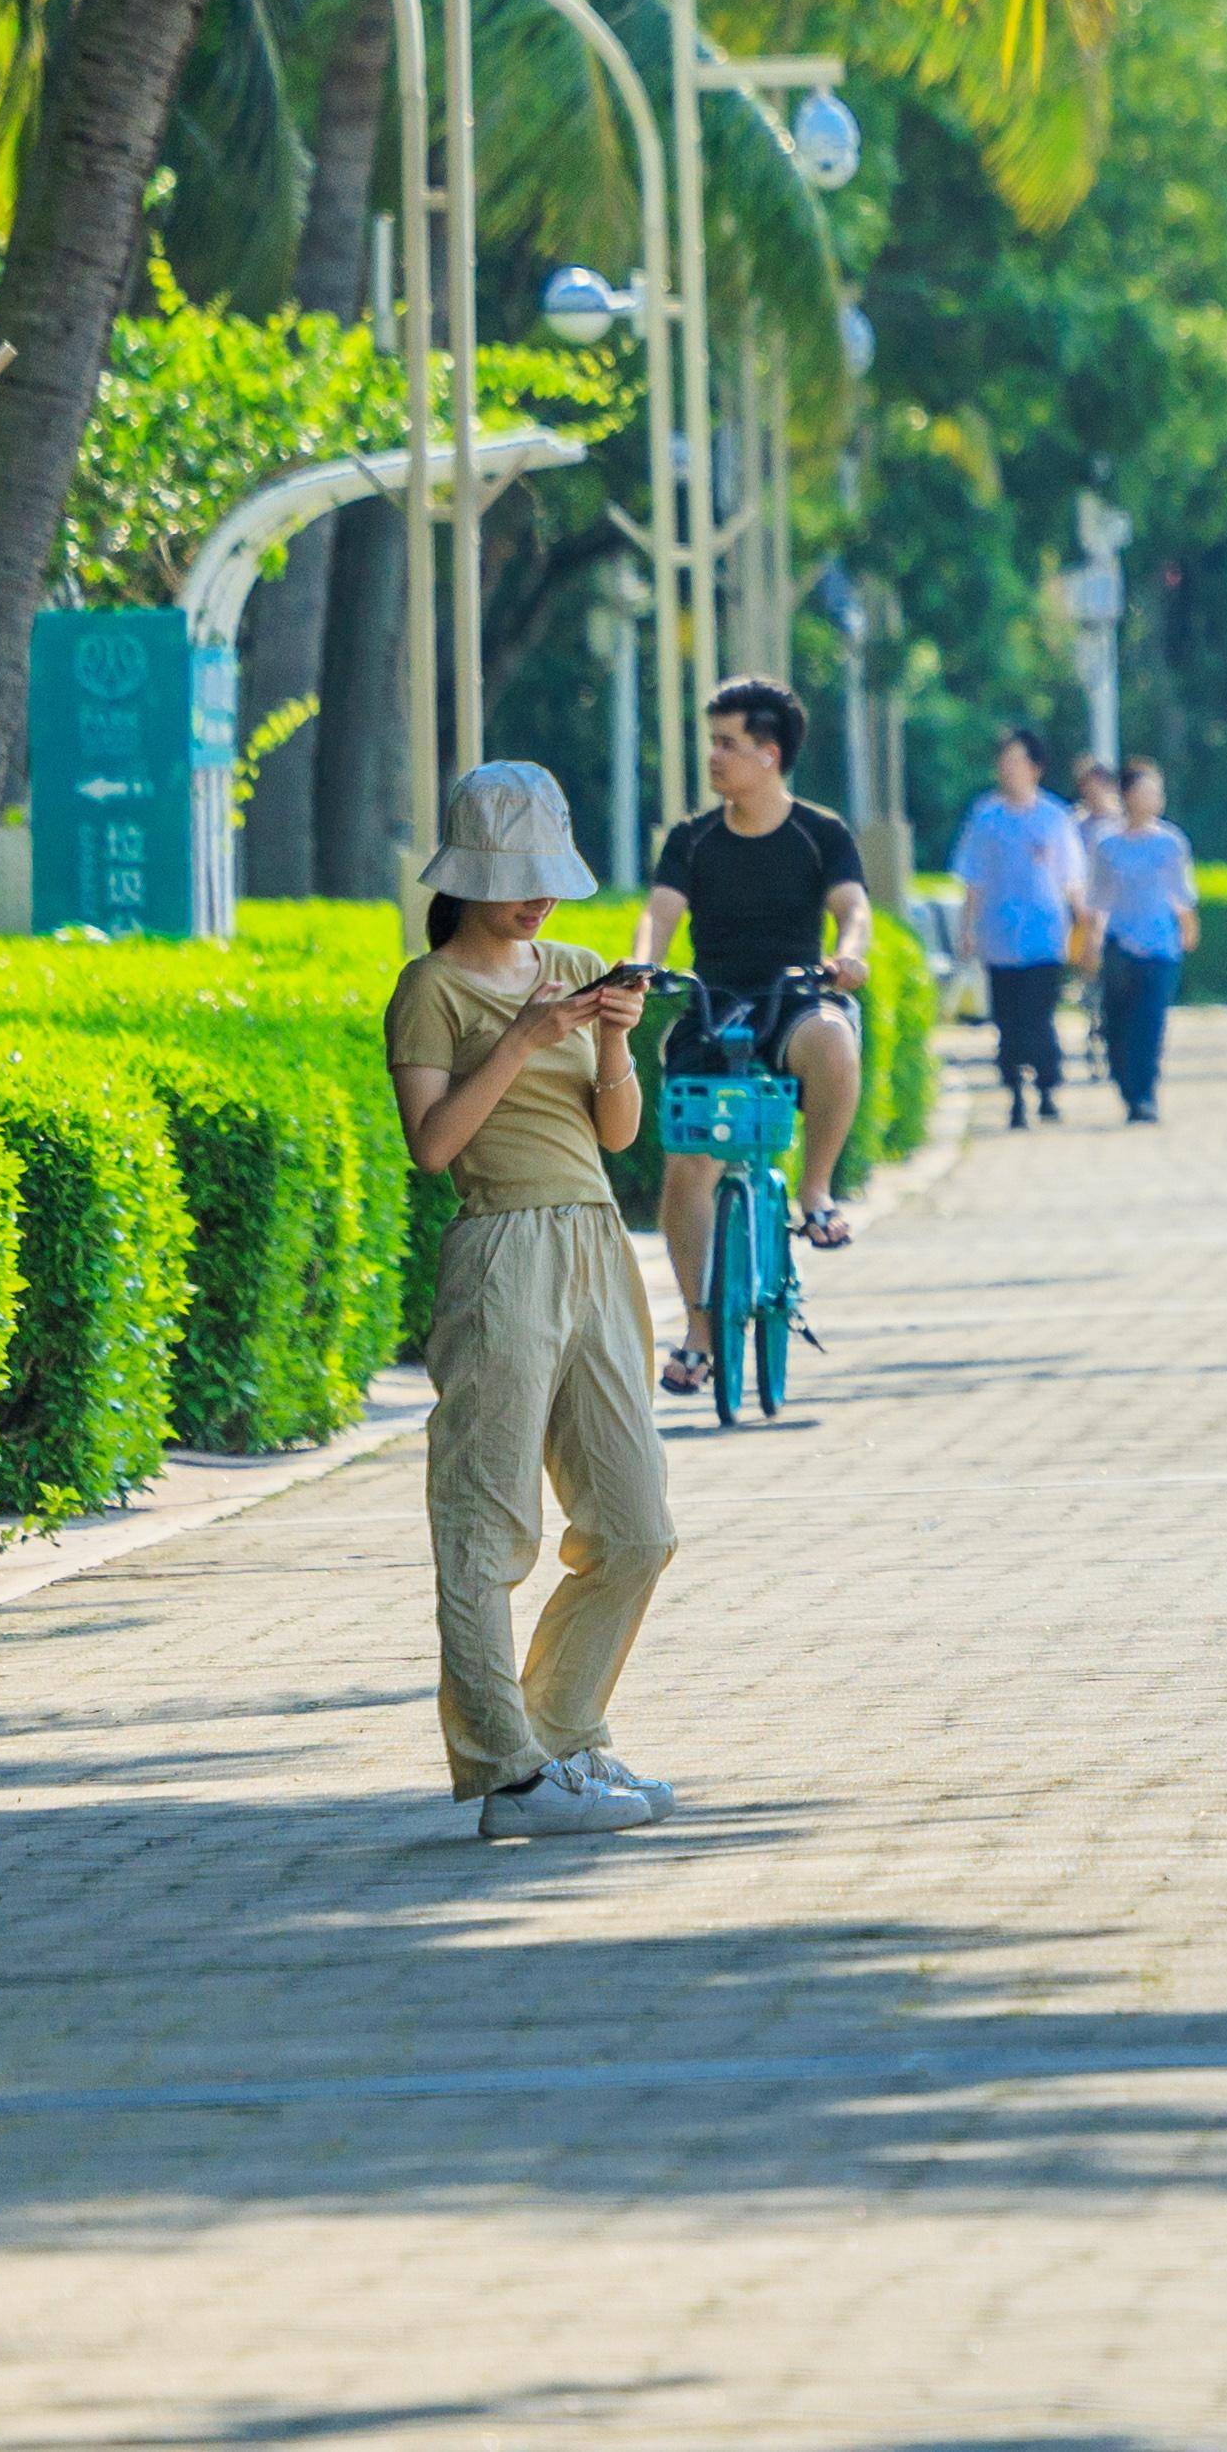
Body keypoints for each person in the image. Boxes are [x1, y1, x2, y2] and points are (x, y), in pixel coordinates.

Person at [387, 761, 675, 1839]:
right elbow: (433, 1145)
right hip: (500, 1245)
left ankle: (561, 1732)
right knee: (486, 1520)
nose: (539, 900)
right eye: (517, 880)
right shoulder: (432, 988)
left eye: (546, 878)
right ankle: (507, 1774)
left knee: (637, 1521)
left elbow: (617, 1133)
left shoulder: (571, 962)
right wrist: (521, 1037)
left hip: (596, 1238)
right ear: (465, 878)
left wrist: (608, 1035)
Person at [633, 681, 870, 1393]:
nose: (713, 755)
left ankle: (817, 1192)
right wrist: (645, 962)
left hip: (791, 1001)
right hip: (713, 1005)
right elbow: (659, 914)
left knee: (832, 1039)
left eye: (727, 743)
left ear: (769, 755)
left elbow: (852, 906)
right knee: (688, 1168)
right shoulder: (692, 839)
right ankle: (700, 1331)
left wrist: (850, 952)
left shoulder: (819, 833)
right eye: (712, 741)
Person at [948, 730, 1090, 1128]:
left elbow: (1072, 878)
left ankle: (1047, 1087)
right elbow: (972, 877)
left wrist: (1085, 926)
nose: (1007, 770)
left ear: (1035, 768)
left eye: (1016, 761)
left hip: (1045, 938)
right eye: (1003, 762)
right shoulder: (985, 816)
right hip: (999, 938)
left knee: (1039, 1017)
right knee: (1008, 1021)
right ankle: (1013, 1093)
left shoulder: (1054, 817)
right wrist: (967, 928)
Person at [1085, 756, 1199, 1121]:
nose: (1153, 799)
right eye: (1145, 791)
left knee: (1149, 1023)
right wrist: (1091, 940)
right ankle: (1125, 1082)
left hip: (1161, 946)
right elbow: (1098, 899)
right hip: (1120, 945)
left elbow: (1181, 893)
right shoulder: (1107, 845)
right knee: (1117, 1023)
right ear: (1127, 795)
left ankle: (1144, 1094)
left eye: (1157, 792)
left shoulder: (1172, 843)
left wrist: (1188, 927)